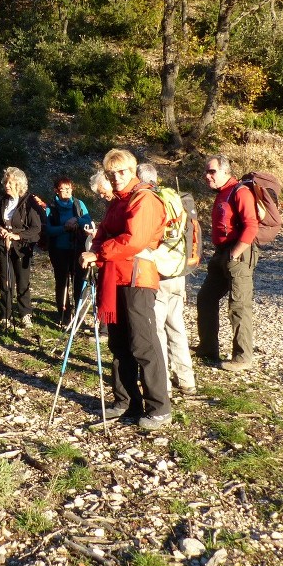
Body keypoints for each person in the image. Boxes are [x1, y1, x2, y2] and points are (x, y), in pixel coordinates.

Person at [81, 149, 171, 431]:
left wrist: (99, 253)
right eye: (111, 174)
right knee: (118, 343)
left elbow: (134, 240)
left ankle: (159, 407)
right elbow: (103, 232)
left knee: (143, 343)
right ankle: (126, 401)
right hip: (115, 276)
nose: (116, 178)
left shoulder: (144, 198)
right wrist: (96, 248)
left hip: (137, 278)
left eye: (121, 172)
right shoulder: (118, 202)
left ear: (133, 171)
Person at [136, 163, 196, 396]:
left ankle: (164, 385)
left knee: (157, 330)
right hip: (178, 273)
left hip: (159, 273)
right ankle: (187, 378)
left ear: (139, 179)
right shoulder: (173, 198)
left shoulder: (151, 201)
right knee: (177, 326)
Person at [196, 154, 259, 372]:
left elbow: (251, 226)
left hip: (237, 253)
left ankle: (242, 358)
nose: (207, 176)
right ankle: (208, 349)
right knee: (206, 298)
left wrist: (235, 253)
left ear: (225, 172)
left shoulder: (240, 192)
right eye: (206, 171)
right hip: (222, 253)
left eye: (212, 171)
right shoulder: (223, 193)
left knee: (239, 305)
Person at [0, 167, 42, 330]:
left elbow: (36, 228)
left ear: (19, 184)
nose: (7, 185)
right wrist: (0, 229)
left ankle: (25, 315)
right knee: (6, 281)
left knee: (22, 282)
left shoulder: (29, 202)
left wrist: (17, 236)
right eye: (6, 182)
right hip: (4, 245)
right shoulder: (3, 201)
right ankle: (5, 315)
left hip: (22, 247)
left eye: (11, 182)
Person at [44, 176, 91, 326]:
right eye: (62, 189)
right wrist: (64, 227)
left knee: (79, 283)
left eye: (68, 189)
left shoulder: (78, 204)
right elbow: (48, 230)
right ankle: (64, 315)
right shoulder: (50, 208)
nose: (66, 192)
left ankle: (79, 317)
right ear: (56, 191)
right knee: (62, 282)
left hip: (78, 249)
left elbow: (88, 221)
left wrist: (77, 221)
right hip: (59, 250)